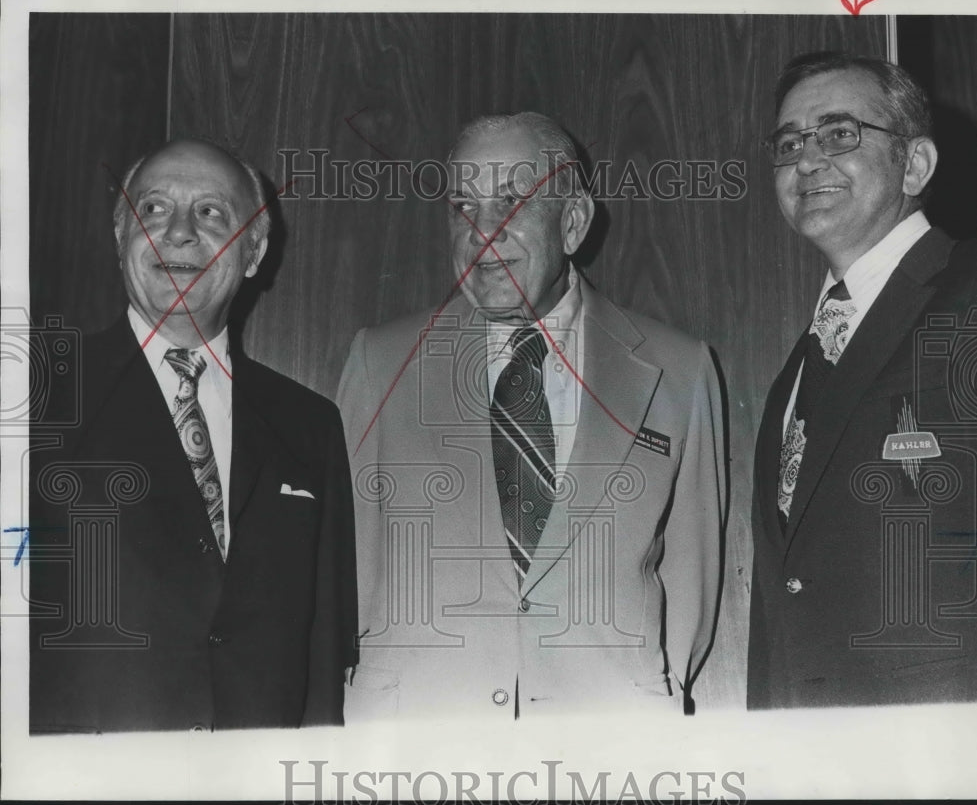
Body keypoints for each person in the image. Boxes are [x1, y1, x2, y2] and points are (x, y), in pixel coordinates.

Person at [337, 112, 726, 719]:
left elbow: (692, 577)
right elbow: (342, 568)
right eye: (462, 205)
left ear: (572, 222)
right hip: (419, 736)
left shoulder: (679, 368)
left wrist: (642, 710)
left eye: (511, 202)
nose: (481, 231)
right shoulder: (380, 362)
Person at [29, 138, 356, 732]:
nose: (178, 232)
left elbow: (322, 657)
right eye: (153, 209)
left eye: (210, 212)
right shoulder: (35, 400)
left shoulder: (310, 425)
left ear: (254, 251)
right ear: (121, 237)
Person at [748, 53, 977, 709]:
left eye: (839, 133)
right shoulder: (798, 368)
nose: (806, 160)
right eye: (789, 144)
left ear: (915, 165)